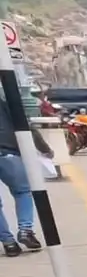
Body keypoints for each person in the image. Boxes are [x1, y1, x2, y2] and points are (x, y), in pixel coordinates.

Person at [0, 94, 52, 257]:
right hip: (8, 153)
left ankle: (8, 243)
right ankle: (25, 230)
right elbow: (26, 126)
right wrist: (45, 149)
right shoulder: (4, 103)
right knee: (23, 192)